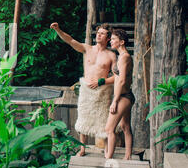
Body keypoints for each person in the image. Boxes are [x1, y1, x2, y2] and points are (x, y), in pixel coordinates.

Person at [50, 22, 118, 156]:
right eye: (98, 33)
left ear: (108, 38)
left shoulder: (111, 55)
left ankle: (106, 150)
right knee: (83, 118)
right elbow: (70, 41)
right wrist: (58, 29)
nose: (98, 35)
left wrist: (101, 81)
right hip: (86, 90)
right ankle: (82, 149)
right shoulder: (87, 49)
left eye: (102, 33)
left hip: (102, 91)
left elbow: (117, 76)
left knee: (103, 119)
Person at [104, 29, 135, 160]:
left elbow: (122, 80)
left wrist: (115, 101)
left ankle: (108, 159)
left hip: (123, 97)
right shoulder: (120, 56)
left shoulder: (125, 57)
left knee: (109, 129)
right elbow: (117, 78)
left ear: (121, 42)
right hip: (124, 96)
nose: (110, 40)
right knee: (125, 126)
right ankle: (128, 156)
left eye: (113, 39)